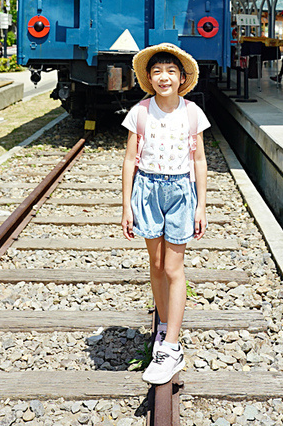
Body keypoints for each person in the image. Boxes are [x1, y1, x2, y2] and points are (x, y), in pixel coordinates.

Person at [120, 43, 210, 385]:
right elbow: (130, 159)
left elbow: (200, 161)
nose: (164, 77)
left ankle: (171, 345)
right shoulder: (140, 112)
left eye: (171, 71)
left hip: (181, 191)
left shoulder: (193, 113)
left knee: (173, 267)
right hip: (146, 189)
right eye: (157, 71)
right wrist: (125, 203)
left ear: (182, 78)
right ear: (148, 77)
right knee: (156, 265)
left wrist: (201, 204)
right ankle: (162, 326)